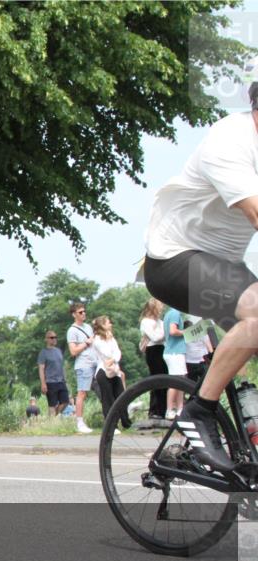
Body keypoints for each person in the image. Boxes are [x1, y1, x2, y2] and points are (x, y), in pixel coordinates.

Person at [142, 61, 258, 472]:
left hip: (225, 264)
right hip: (174, 258)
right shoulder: (230, 142)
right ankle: (199, 413)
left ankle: (248, 437)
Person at [91, 316, 131, 432]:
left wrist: (114, 358)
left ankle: (126, 422)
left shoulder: (111, 338)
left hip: (114, 371)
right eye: (108, 323)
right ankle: (112, 426)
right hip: (103, 372)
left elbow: (118, 353)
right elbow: (107, 353)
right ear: (103, 325)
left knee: (121, 396)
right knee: (108, 398)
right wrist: (113, 356)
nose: (111, 324)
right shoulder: (97, 340)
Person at [66, 302, 95, 434]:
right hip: (83, 365)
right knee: (82, 393)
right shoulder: (72, 331)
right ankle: (79, 422)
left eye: (84, 311)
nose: (83, 314)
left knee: (103, 390)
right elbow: (73, 351)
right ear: (74, 315)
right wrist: (85, 343)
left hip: (94, 362)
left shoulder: (88, 327)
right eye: (80, 312)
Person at [138, 298, 168, 419]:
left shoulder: (160, 322)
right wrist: (166, 332)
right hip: (153, 350)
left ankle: (163, 409)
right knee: (157, 379)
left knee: (165, 379)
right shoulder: (146, 322)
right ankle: (155, 410)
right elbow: (155, 337)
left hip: (162, 349)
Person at [161, 307, 187, 420]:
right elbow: (173, 331)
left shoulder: (169, 313)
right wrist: (186, 332)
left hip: (175, 351)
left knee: (181, 381)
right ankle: (170, 409)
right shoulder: (175, 313)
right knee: (175, 381)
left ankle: (180, 408)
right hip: (174, 352)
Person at [37, 330, 69, 416]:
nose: (54, 339)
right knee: (52, 405)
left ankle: (53, 417)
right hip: (50, 382)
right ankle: (51, 424)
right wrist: (43, 384)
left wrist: (65, 380)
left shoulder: (58, 351)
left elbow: (62, 366)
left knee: (66, 402)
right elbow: (41, 368)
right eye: (52, 337)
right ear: (46, 339)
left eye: (55, 337)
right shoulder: (43, 352)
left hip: (61, 381)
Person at [183, 316, 213, 383]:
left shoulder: (184, 336)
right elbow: (209, 347)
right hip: (198, 362)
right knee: (205, 383)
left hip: (192, 362)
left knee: (193, 385)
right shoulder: (201, 333)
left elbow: (209, 347)